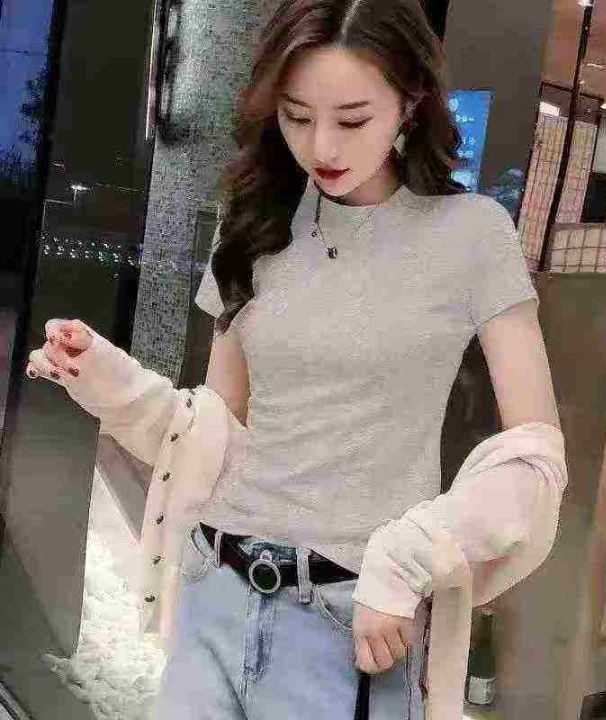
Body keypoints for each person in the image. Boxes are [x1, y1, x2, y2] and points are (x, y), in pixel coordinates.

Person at [25, 0, 566, 718]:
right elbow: (214, 434)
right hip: (214, 592)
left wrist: (406, 559)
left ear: (410, 103)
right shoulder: (253, 223)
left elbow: (536, 457)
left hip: (351, 619)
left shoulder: (469, 234)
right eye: (296, 116)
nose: (322, 146)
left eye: (352, 119)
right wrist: (105, 378)